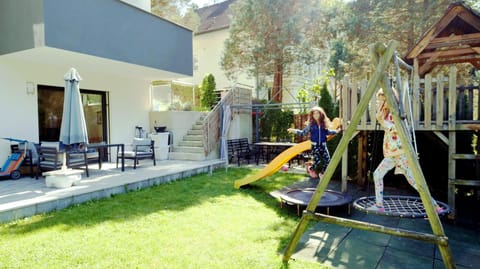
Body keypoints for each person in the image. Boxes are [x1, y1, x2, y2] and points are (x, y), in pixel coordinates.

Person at [369, 88, 444, 213]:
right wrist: (381, 118)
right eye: (378, 101)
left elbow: (396, 130)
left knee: (415, 182)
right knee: (377, 174)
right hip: (392, 154)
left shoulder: (395, 113)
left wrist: (382, 121)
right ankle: (379, 205)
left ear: (389, 100)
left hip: (400, 154)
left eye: (381, 100)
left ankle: (434, 206)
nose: (379, 103)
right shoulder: (387, 114)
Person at [288, 106, 340, 178]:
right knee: (318, 162)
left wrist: (336, 131)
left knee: (328, 160)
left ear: (321, 114)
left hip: (323, 145)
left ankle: (322, 173)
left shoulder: (323, 124)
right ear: (312, 115)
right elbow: (303, 133)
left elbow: (328, 132)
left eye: (317, 113)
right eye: (314, 114)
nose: (316, 115)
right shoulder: (311, 125)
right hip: (315, 146)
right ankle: (311, 168)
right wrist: (294, 130)